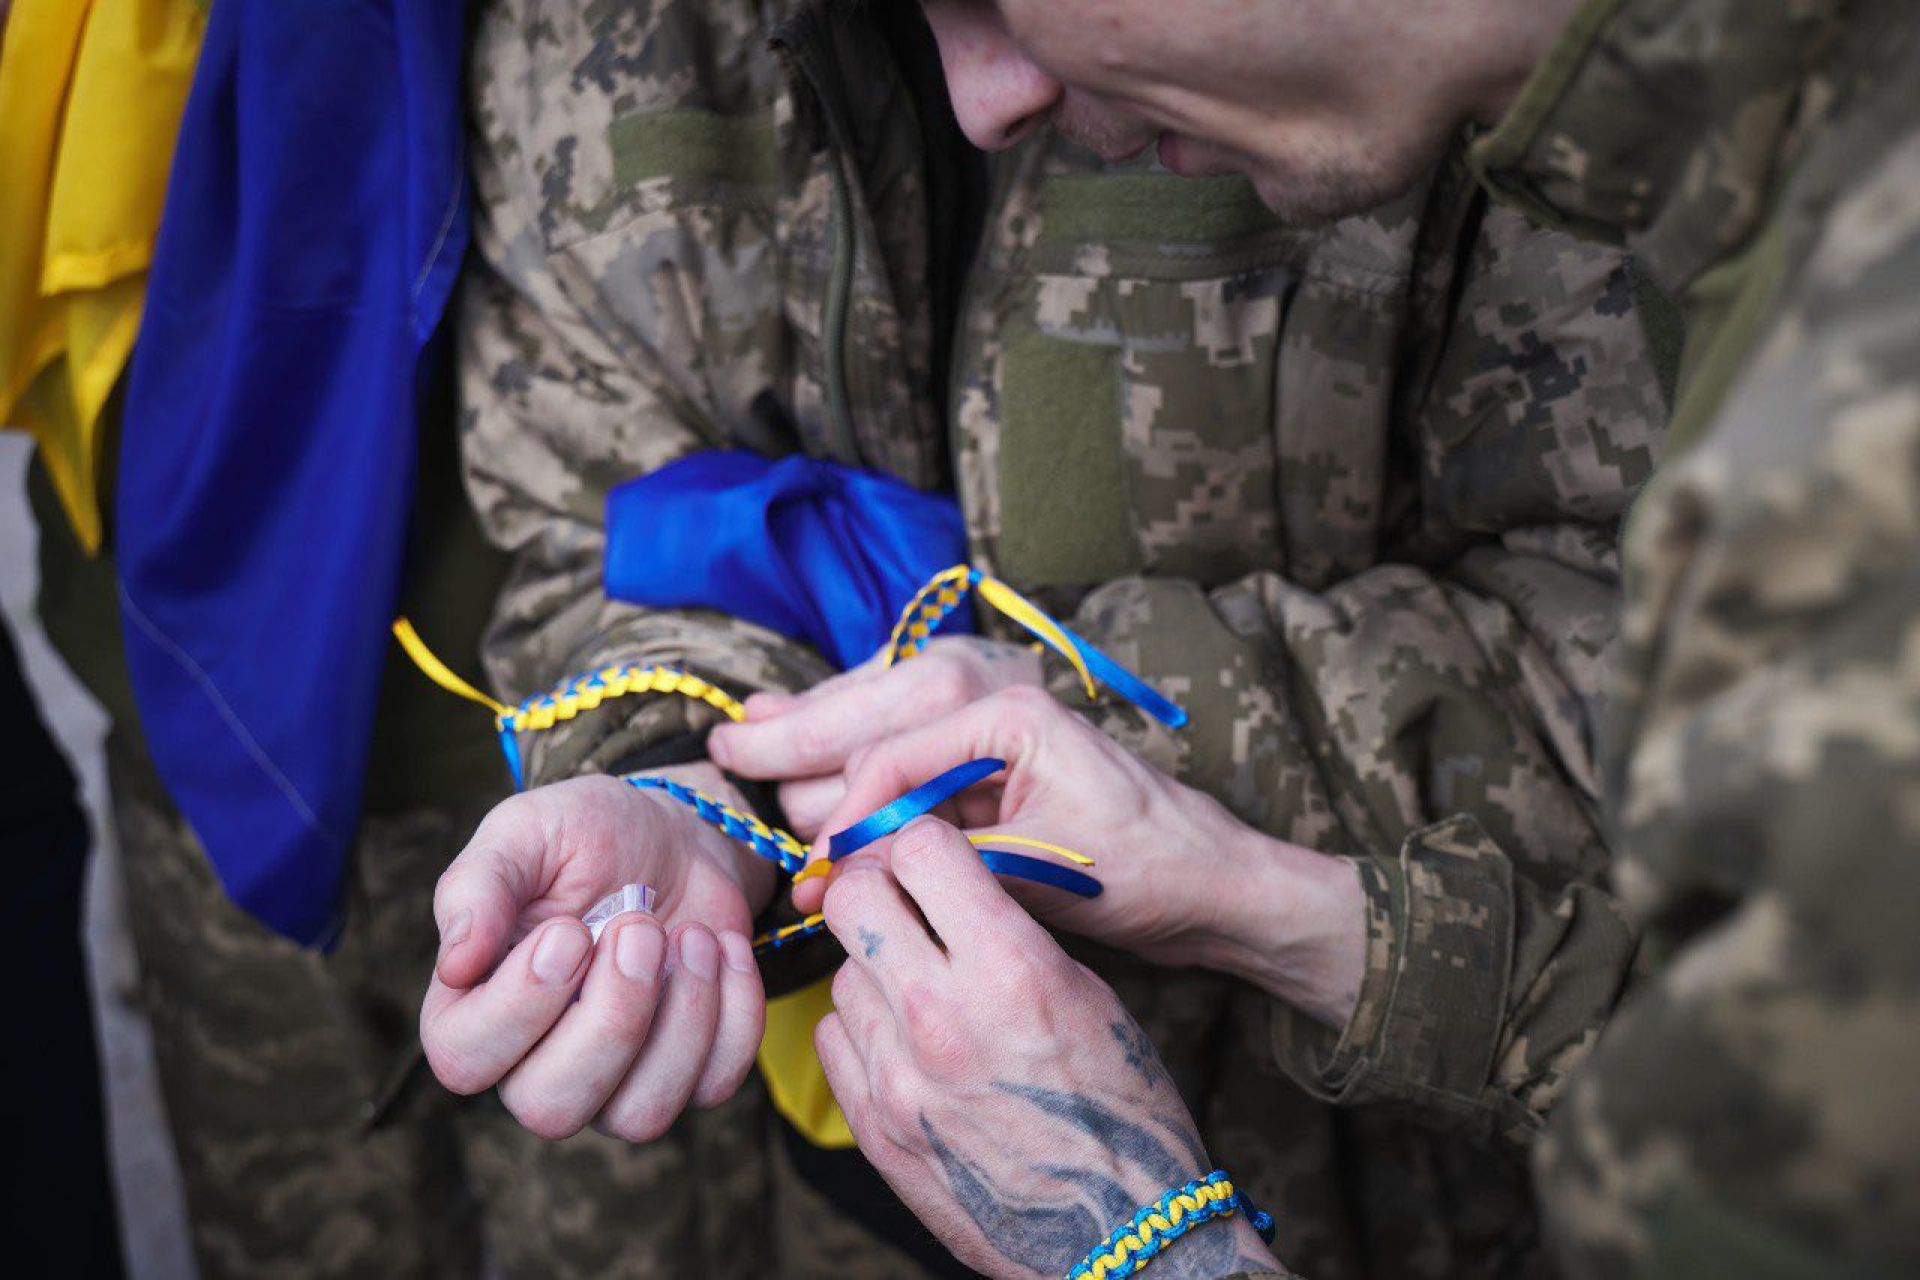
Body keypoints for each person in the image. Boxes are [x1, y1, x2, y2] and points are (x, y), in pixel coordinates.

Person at [437, 0, 1667, 1274]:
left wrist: (1106, 737)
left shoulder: (1536, 69)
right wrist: (678, 771)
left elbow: (1652, 673)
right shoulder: (588, 30)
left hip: (1411, 1189)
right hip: (836, 1162)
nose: (986, 104)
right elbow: (589, 515)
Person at [800, 0, 1920, 1274]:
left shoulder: (1864, 400)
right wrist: (1269, 905)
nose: (984, 103)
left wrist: (1134, 1238)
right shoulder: (1800, 201)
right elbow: (1766, 1091)